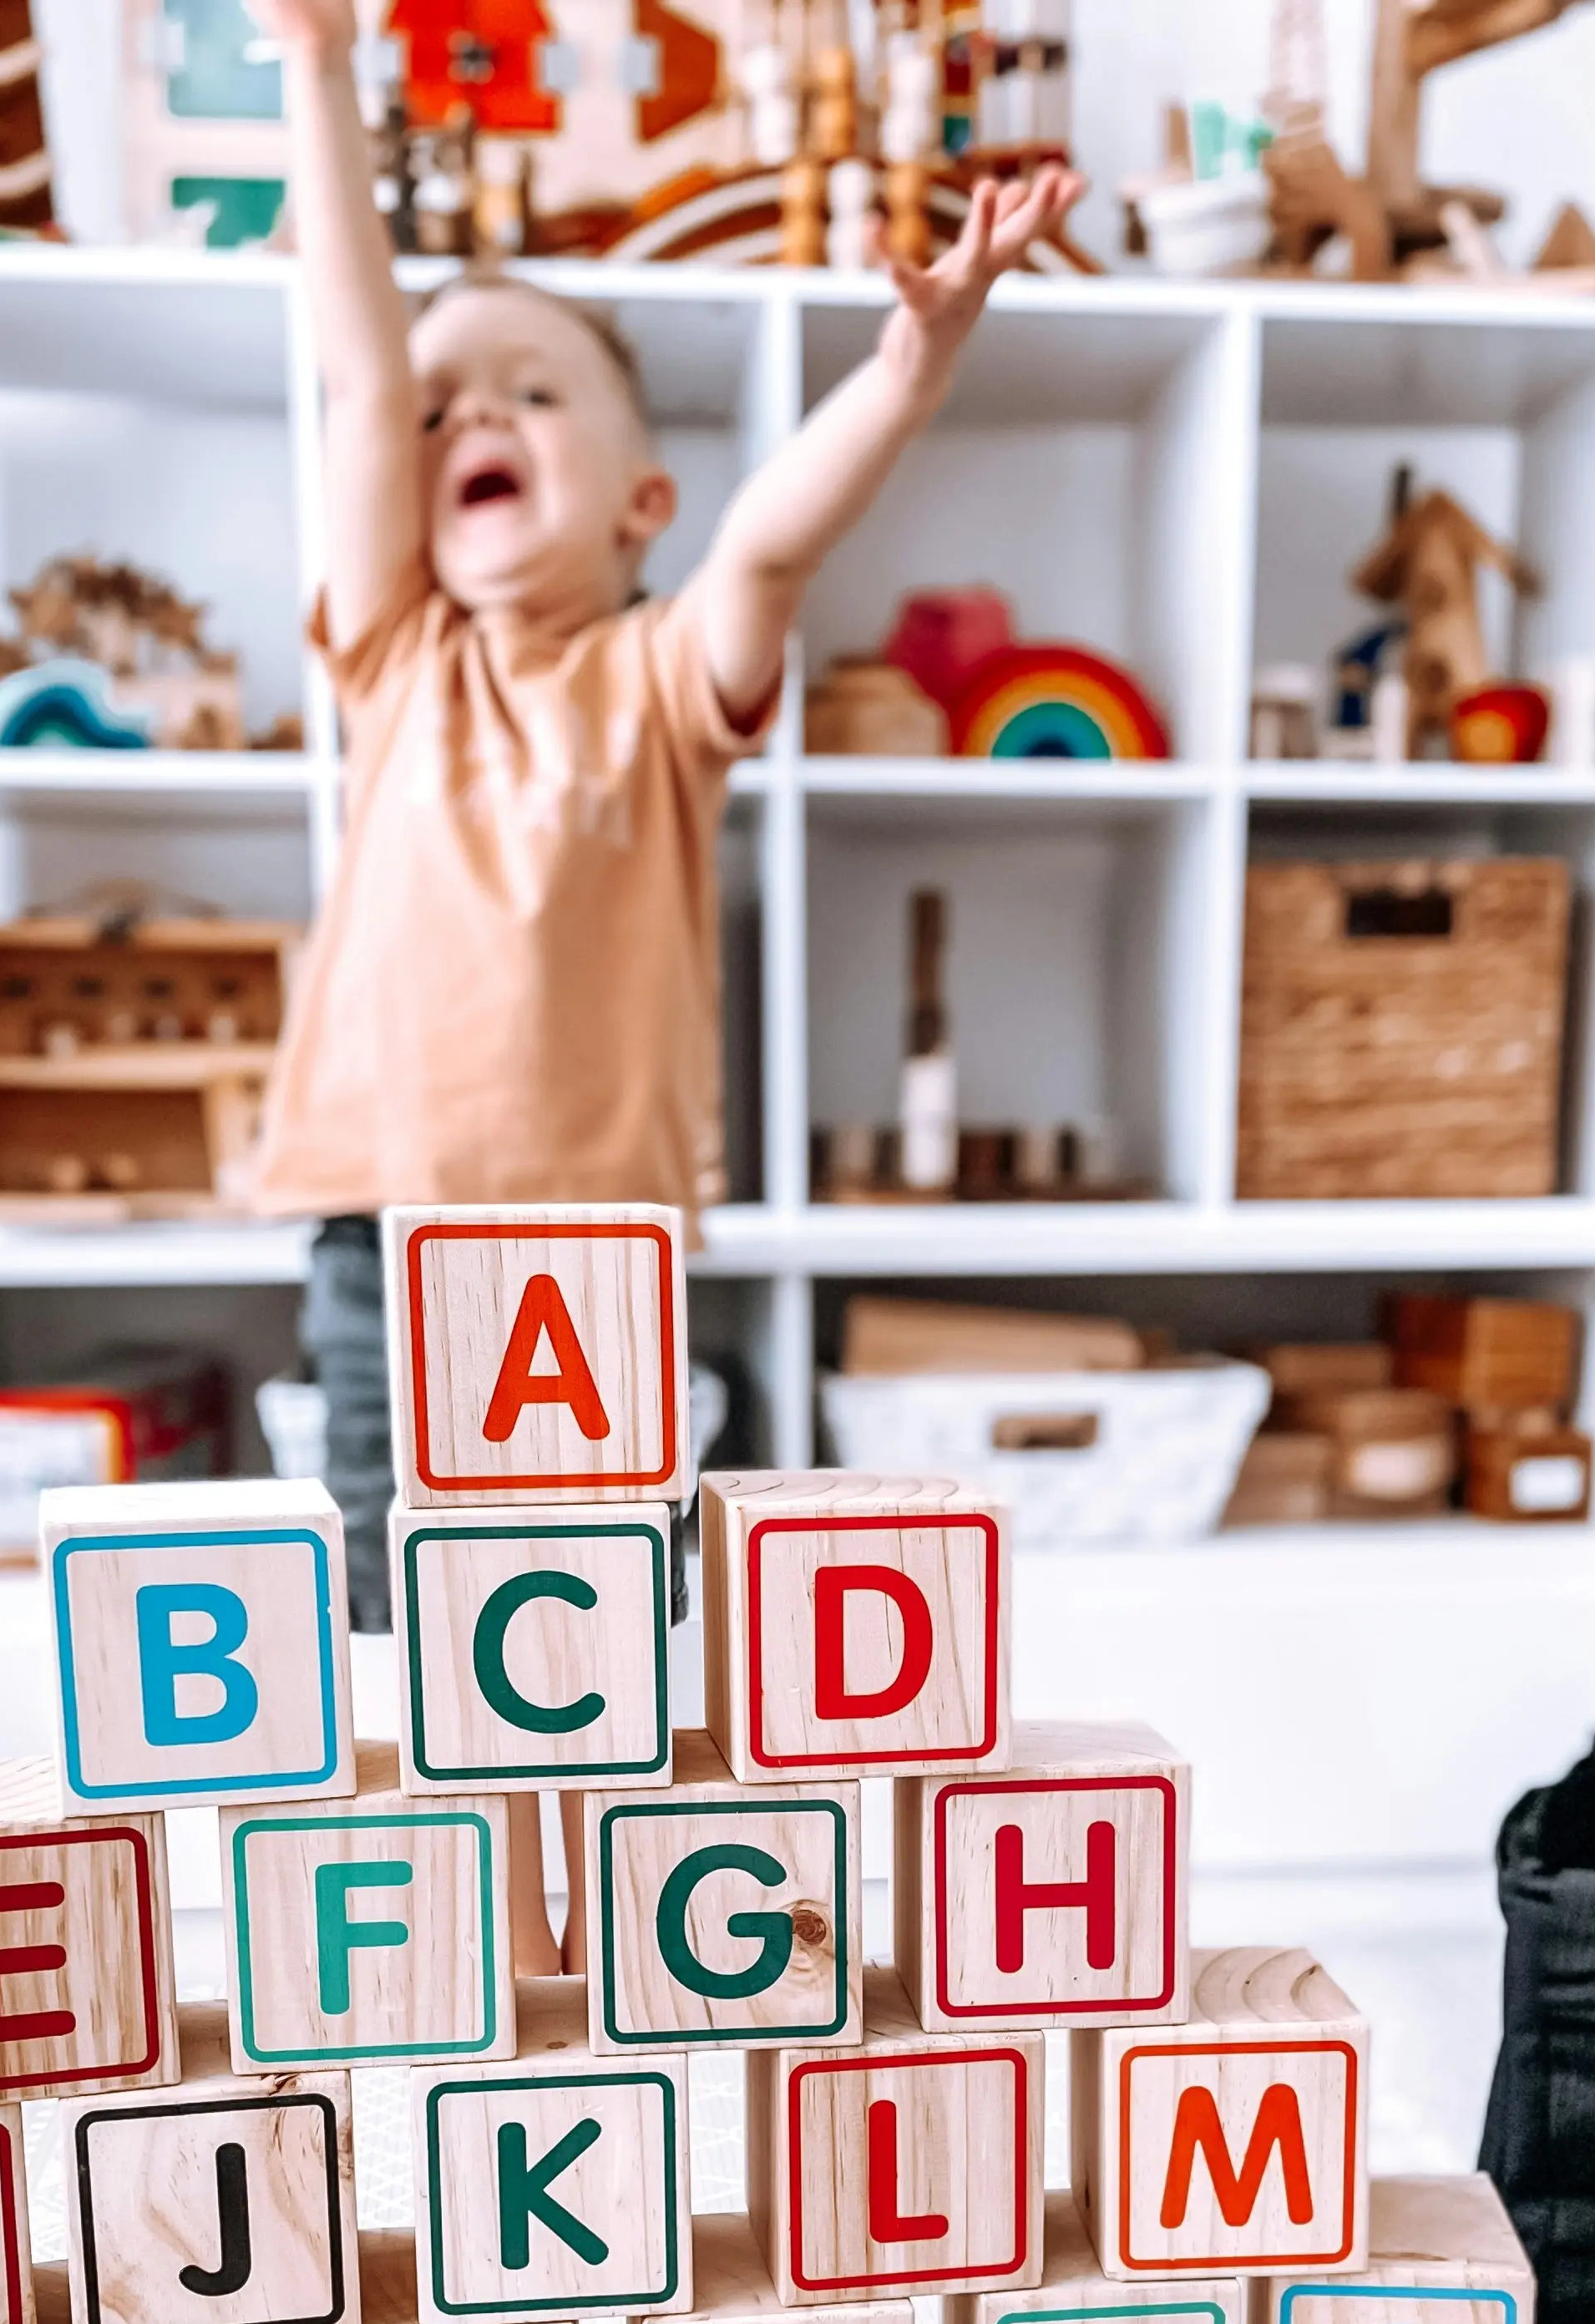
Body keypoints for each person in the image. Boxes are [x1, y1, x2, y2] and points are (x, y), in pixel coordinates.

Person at [241, 0, 1078, 1957]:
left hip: (599, 1250)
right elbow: (360, 383)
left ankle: (607, 1922)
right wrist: (308, 66)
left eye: (528, 393)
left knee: (605, 1610)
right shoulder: (392, 659)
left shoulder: (664, 678)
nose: (466, 424)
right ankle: (441, 1935)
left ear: (639, 502)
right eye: (448, 410)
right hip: (385, 1227)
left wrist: (912, 363)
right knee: (398, 1606)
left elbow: (778, 542)